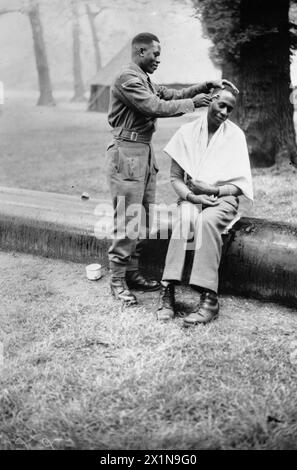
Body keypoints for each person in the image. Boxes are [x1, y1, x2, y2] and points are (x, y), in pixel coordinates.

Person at [107, 31, 235, 307]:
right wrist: (194, 104)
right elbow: (155, 105)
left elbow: (170, 93)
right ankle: (117, 279)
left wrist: (203, 86)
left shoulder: (144, 79)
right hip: (127, 151)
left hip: (142, 151)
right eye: (155, 54)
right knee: (127, 217)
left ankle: (132, 272)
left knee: (144, 216)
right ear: (141, 52)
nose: (158, 60)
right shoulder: (127, 78)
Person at [156, 84, 253, 324]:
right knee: (186, 219)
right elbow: (176, 179)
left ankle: (210, 299)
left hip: (223, 199)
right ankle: (167, 290)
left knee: (207, 222)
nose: (224, 113)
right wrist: (193, 197)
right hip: (192, 197)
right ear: (210, 101)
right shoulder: (186, 132)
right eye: (221, 105)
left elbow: (239, 186)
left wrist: (212, 190)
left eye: (230, 109)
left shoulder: (235, 135)